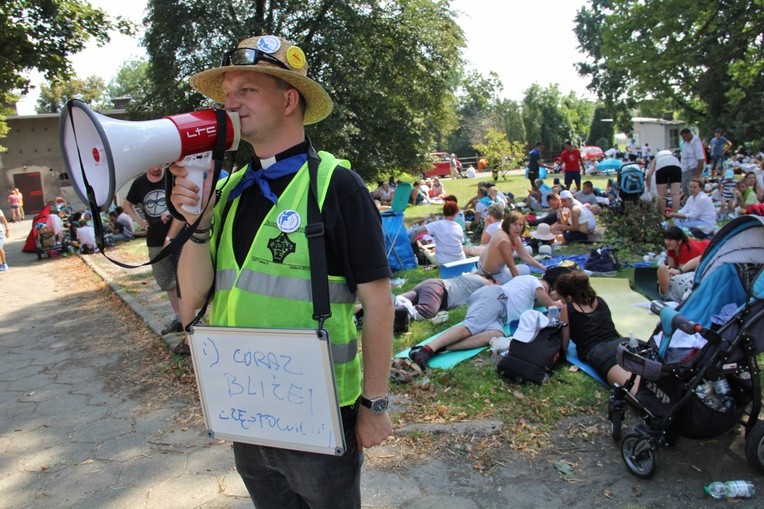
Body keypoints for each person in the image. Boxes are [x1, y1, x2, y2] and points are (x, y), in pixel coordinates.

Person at [167, 35, 393, 507]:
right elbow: (191, 300)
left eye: (245, 91)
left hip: (321, 413)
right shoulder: (227, 190)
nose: (230, 105)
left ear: (289, 99)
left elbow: (378, 303)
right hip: (247, 412)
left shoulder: (338, 186)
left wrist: (375, 404)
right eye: (226, 95)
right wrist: (198, 225)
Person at [408, 273, 562, 370]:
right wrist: (564, 302)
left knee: (496, 334)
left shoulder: (529, 299)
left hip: (500, 314)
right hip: (496, 297)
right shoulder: (532, 280)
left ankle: (441, 348)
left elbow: (546, 301)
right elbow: (550, 303)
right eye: (546, 288)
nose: (545, 290)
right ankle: (427, 349)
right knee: (470, 327)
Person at [124, 165, 185, 336]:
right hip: (155, 240)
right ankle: (179, 317)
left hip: (178, 236)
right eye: (153, 165)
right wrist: (140, 221)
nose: (157, 169)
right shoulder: (139, 183)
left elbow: (182, 199)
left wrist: (170, 211)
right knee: (167, 281)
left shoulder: (171, 176)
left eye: (159, 164)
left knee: (184, 278)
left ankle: (192, 317)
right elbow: (127, 205)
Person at [555, 271, 638, 387]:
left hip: (600, 352)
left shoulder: (567, 308)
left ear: (569, 298)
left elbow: (564, 344)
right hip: (622, 342)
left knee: (633, 387)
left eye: (562, 299)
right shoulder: (600, 300)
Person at [478, 210, 546, 284]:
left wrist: (541, 266)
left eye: (520, 225)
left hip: (485, 265)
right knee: (525, 269)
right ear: (507, 224)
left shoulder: (513, 236)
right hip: (492, 275)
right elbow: (511, 267)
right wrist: (520, 284)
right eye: (514, 224)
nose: (518, 228)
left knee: (524, 267)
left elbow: (524, 255)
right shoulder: (504, 240)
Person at [393, 273, 493, 321]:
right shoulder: (480, 279)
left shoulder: (470, 280)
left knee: (399, 300)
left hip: (429, 286)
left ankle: (387, 308)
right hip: (438, 289)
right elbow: (496, 288)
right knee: (426, 312)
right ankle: (396, 314)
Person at [409, 200, 465, 265]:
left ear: (444, 212)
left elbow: (418, 231)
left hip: (443, 262)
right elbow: (457, 243)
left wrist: (412, 241)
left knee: (425, 251)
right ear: (456, 213)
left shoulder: (437, 224)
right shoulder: (459, 227)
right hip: (461, 260)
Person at [646, 149, 682, 216]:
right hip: (677, 166)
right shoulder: (672, 155)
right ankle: (674, 216)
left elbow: (649, 174)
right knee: (675, 194)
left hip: (661, 166)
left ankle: (662, 217)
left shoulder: (656, 157)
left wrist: (648, 186)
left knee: (662, 195)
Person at [679, 128, 706, 196]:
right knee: (685, 189)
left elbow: (701, 159)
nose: (684, 139)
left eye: (685, 137)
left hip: (692, 169)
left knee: (692, 191)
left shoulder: (696, 142)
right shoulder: (685, 144)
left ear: (689, 134)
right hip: (685, 170)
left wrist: (696, 175)